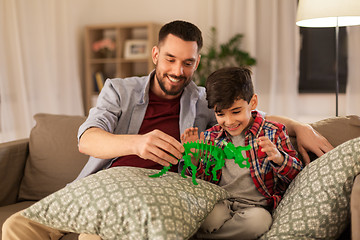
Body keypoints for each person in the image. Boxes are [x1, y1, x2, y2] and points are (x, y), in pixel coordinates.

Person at [2, 20, 331, 240]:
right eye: (170, 59)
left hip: (158, 191)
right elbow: (87, 140)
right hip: (108, 182)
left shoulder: (202, 100)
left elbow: (248, 115)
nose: (177, 71)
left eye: (187, 63)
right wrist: (137, 144)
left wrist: (300, 127)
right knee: (16, 226)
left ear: (197, 63)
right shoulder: (119, 90)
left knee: (93, 236)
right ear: (156, 54)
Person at [180, 66, 303, 239]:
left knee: (260, 222)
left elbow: (296, 174)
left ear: (252, 103)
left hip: (255, 208)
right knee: (208, 217)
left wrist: (279, 158)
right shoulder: (211, 137)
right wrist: (193, 158)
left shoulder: (273, 132)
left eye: (236, 111)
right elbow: (199, 184)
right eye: (220, 114)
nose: (229, 121)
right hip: (221, 203)